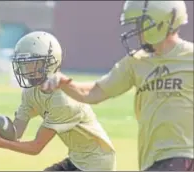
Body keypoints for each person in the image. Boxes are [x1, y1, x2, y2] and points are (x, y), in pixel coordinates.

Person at [38, 1, 194, 171]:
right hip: (153, 160)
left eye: (141, 23)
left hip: (183, 155)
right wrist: (65, 84)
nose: (137, 31)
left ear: (160, 22)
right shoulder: (136, 62)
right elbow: (94, 93)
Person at [0, 31, 116, 171]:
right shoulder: (31, 91)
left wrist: (0, 143)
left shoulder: (62, 99)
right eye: (23, 63)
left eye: (32, 63)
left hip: (98, 164)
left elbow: (35, 147)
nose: (25, 69)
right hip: (77, 159)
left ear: (49, 63)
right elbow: (16, 133)